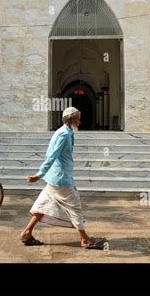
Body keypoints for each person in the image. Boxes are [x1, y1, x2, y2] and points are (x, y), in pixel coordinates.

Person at [20, 107, 107, 249]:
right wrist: (39, 175)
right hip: (61, 179)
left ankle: (27, 232)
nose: (80, 121)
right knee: (75, 207)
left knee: (43, 205)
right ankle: (85, 239)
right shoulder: (64, 135)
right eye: (78, 118)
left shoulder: (63, 132)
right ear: (70, 119)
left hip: (55, 178)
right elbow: (51, 156)